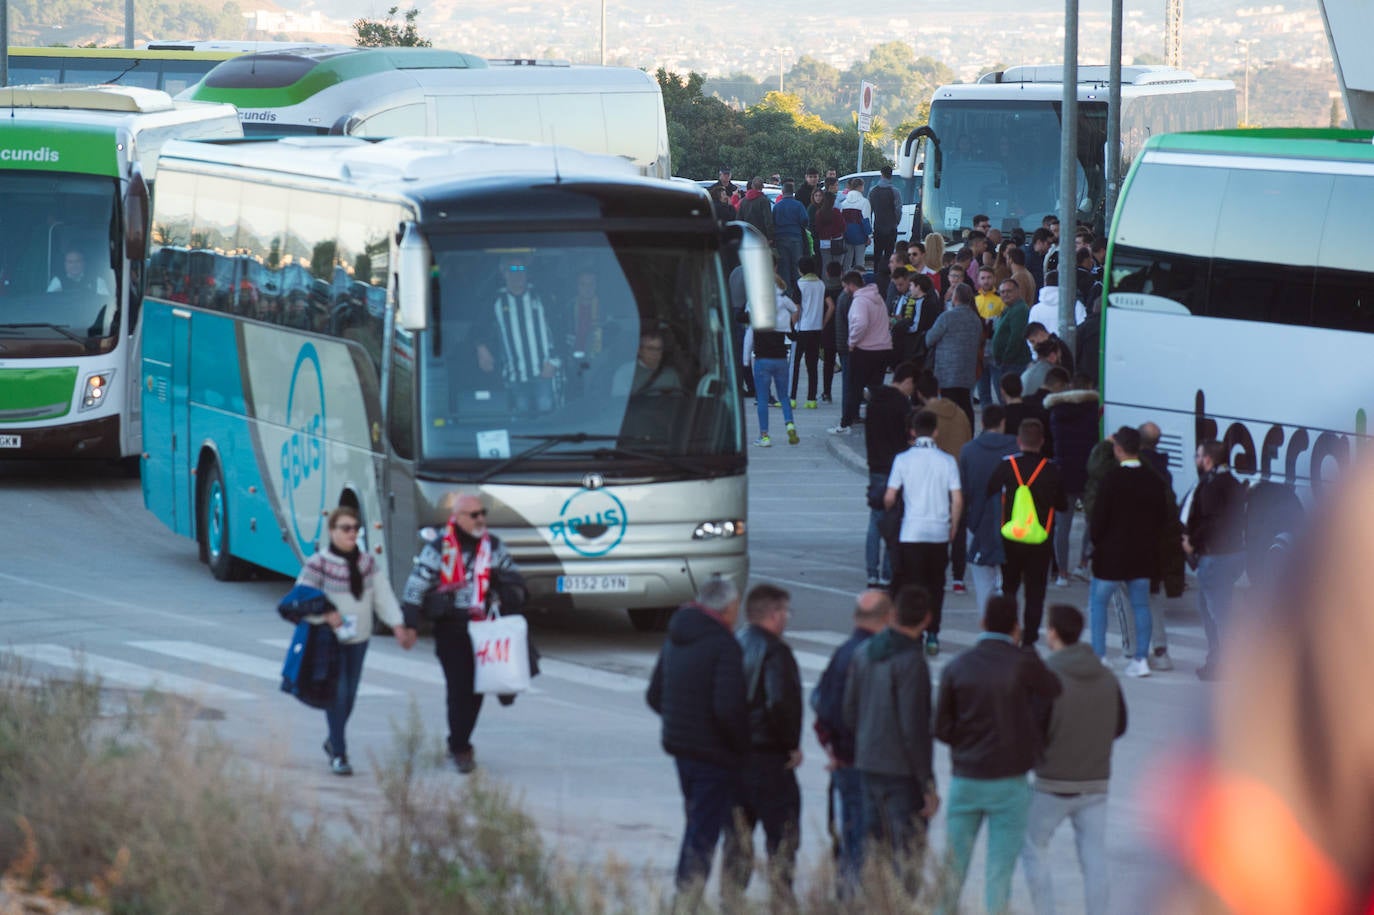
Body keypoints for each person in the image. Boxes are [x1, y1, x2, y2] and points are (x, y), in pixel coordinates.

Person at [933, 594, 1063, 915]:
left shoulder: (957, 667)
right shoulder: (1025, 664)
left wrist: (965, 744)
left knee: (953, 867)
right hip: (1010, 781)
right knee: (999, 871)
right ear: (1016, 627)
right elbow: (1053, 692)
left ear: (982, 623)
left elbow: (941, 727)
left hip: (967, 778)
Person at [400, 492, 529, 774]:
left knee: (477, 689)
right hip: (452, 629)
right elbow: (416, 585)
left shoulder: (493, 547)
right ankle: (460, 746)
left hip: (485, 629)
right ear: (457, 518)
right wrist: (409, 624)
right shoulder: (438, 548)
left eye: (483, 513)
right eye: (474, 515)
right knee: (459, 689)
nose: (481, 519)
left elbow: (516, 580)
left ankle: (460, 740)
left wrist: (505, 587)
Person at [645, 577, 749, 898]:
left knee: (696, 824)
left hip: (682, 750)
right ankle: (687, 898)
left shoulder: (677, 635)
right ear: (729, 607)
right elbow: (728, 709)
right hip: (713, 756)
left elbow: (654, 695)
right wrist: (741, 748)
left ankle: (687, 895)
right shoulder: (724, 644)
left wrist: (684, 724)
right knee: (703, 833)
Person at [1020, 604, 1128, 915]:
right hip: (1095, 783)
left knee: (1033, 846)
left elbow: (1034, 728)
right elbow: (1120, 725)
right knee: (1093, 858)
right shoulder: (1106, 677)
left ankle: (1046, 910)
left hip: (1052, 782)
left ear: (1052, 632)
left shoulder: (1049, 677)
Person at [296, 505, 416, 777]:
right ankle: (339, 752)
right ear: (332, 531)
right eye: (345, 528)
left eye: (355, 529)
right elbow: (299, 598)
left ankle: (332, 740)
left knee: (349, 696)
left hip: (359, 639)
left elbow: (382, 595)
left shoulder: (366, 564)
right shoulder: (319, 564)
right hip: (329, 640)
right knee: (337, 695)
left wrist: (397, 625)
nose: (352, 533)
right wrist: (326, 613)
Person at [843, 585, 939, 899]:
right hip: (901, 774)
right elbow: (914, 727)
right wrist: (926, 782)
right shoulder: (912, 661)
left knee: (875, 850)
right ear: (926, 619)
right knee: (907, 856)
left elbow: (850, 710)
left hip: (868, 763)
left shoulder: (863, 652)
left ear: (893, 614)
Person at [721, 584, 804, 911]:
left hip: (735, 758)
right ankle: (782, 900)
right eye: (786, 611)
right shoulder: (775, 652)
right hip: (768, 759)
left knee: (737, 839)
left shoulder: (734, 644)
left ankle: (731, 900)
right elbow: (779, 701)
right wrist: (790, 745)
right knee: (782, 838)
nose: (787, 618)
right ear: (774, 614)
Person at [812, 590, 891, 894]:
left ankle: (847, 895)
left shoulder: (844, 652)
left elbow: (820, 702)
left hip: (846, 761)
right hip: (871, 763)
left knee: (851, 835)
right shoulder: (878, 655)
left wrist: (832, 748)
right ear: (887, 617)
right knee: (867, 839)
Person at [1087, 427, 1172, 676]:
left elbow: (1098, 520)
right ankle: (1141, 660)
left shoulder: (1111, 480)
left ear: (1118, 449)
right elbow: (1161, 518)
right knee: (1142, 605)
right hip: (1143, 553)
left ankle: (1100, 656)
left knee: (1098, 604)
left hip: (1111, 555)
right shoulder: (1153, 480)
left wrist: (1098, 543)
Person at [885, 409, 963, 657]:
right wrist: (953, 526)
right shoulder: (948, 461)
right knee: (936, 586)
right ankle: (933, 634)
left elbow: (889, 497)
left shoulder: (903, 460)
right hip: (938, 533)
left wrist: (890, 507)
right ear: (936, 432)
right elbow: (958, 499)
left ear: (912, 432)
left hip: (911, 532)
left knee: (912, 586)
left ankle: (914, 633)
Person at [987, 418, 1067, 647]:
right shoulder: (1051, 469)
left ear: (1019, 441)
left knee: (1009, 587)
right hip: (1040, 539)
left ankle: (1008, 631)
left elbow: (990, 488)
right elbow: (1061, 504)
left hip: (1011, 536)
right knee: (1035, 592)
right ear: (1041, 442)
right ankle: (1030, 639)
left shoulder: (1007, 465)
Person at [1183, 439, 1247, 680]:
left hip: (1216, 556)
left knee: (1216, 613)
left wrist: (1193, 543)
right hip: (1235, 554)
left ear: (1208, 459)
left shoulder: (1211, 486)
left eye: (1198, 456)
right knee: (1215, 608)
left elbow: (1211, 522)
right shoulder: (1233, 483)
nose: (1197, 460)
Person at [477, 254, 559, 414]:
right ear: (504, 273)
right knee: (522, 421)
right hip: (515, 377)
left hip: (544, 373)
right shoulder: (496, 300)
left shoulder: (541, 296)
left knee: (547, 419)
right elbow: (478, 329)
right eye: (512, 269)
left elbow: (559, 329)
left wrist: (554, 362)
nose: (518, 274)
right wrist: (481, 348)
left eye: (521, 269)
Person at [960, 405, 1019, 613]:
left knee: (983, 583)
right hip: (1013, 523)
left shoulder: (968, 450)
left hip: (977, 523)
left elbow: (963, 491)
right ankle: (1009, 625)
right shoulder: (1016, 449)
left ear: (982, 423)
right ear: (1003, 422)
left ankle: (988, 627)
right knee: (1010, 582)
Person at [865, 361, 918, 588]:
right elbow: (905, 439)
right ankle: (888, 572)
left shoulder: (874, 401)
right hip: (896, 468)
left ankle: (871, 573)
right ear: (907, 381)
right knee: (894, 521)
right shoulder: (902, 406)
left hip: (876, 466)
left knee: (875, 520)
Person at [836, 273, 892, 436]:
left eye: (846, 286)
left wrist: (852, 342)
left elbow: (860, 323)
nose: (845, 290)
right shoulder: (878, 298)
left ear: (851, 285)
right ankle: (877, 422)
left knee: (855, 387)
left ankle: (845, 423)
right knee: (875, 389)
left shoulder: (859, 300)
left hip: (865, 350)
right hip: (883, 348)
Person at [923, 283, 983, 429]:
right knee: (965, 406)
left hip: (946, 372)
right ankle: (967, 434)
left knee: (947, 408)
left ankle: (950, 436)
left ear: (955, 298)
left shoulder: (947, 317)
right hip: (967, 372)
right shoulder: (976, 319)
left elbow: (929, 339)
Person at [751, 278, 800, 447]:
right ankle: (790, 424)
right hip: (781, 358)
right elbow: (795, 309)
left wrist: (744, 359)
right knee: (784, 396)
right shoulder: (784, 307)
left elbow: (748, 333)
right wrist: (791, 324)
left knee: (763, 399)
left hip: (762, 359)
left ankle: (764, 436)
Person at [789, 256, 830, 408]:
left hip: (802, 329)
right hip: (816, 329)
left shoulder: (800, 284)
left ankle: (792, 398)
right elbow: (830, 305)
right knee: (812, 365)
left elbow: (797, 309)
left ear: (800, 269)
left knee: (795, 364)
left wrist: (790, 325)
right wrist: (823, 322)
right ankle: (811, 399)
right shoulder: (820, 284)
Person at [610, 329, 682, 397]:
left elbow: (678, 402)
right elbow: (620, 403)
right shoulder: (625, 373)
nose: (655, 353)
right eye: (650, 348)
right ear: (639, 350)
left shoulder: (671, 374)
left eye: (658, 349)